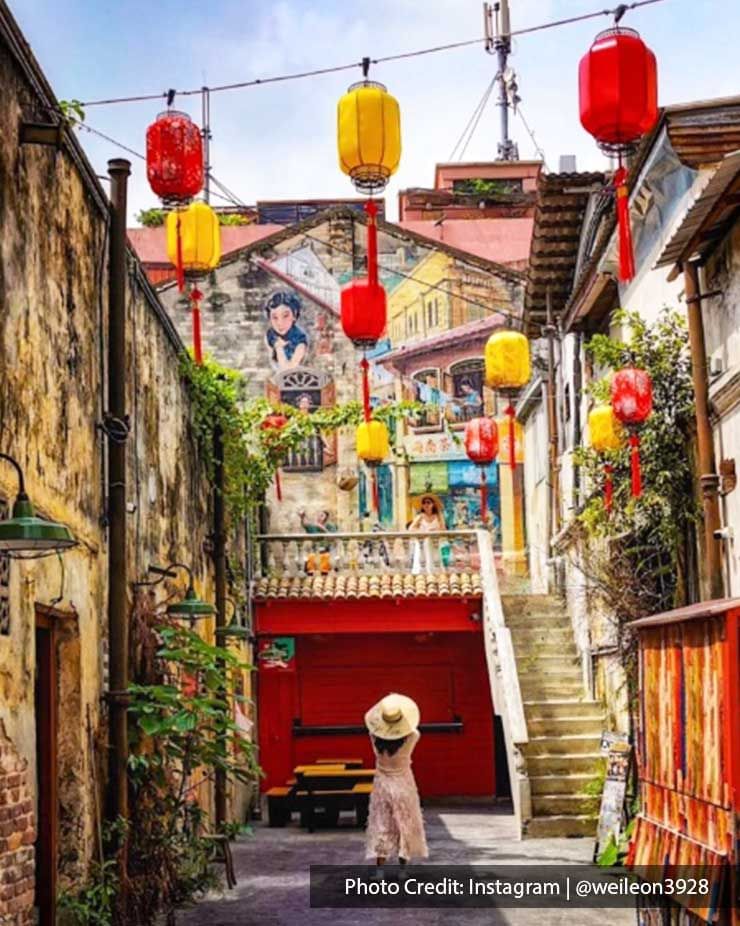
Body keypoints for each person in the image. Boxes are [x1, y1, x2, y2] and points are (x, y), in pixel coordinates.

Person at [364, 693, 428, 868]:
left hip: (382, 785)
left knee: (381, 826)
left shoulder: (374, 737)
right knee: (405, 826)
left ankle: (379, 871)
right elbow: (413, 730)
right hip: (404, 784)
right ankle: (403, 870)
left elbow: (373, 728)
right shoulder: (413, 737)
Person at [264, 291, 308, 370]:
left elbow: (287, 371)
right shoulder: (271, 334)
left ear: (294, 315)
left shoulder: (300, 338)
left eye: (285, 316)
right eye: (274, 317)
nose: (280, 323)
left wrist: (279, 347)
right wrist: (278, 346)